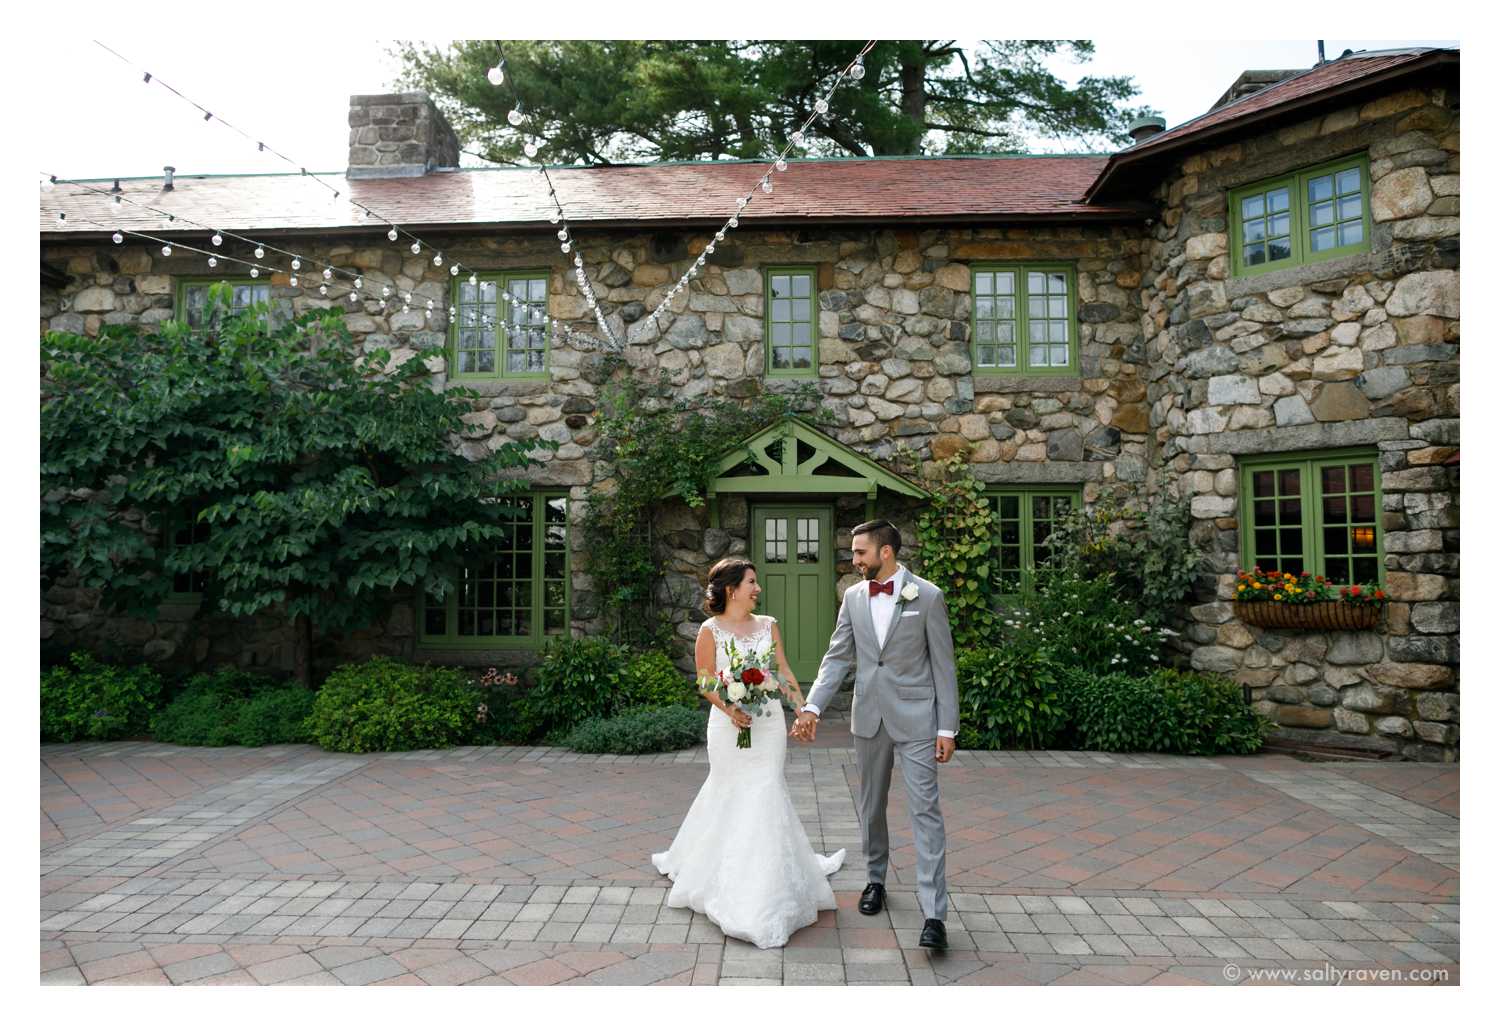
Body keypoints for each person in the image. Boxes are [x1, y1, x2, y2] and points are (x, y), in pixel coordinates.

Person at [651, 557, 846, 949]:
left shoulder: (768, 625)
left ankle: (766, 884)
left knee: (765, 789)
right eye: (752, 582)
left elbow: (784, 671)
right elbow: (706, 679)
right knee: (729, 789)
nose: (758, 589)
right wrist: (730, 706)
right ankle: (723, 875)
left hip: (768, 724)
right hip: (728, 725)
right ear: (731, 589)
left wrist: (802, 709)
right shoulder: (709, 630)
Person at [792, 520, 958, 950]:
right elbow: (836, 657)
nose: (854, 559)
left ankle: (935, 914)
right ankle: (875, 880)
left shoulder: (928, 596)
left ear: (886, 552)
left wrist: (947, 727)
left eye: (860, 552)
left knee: (926, 811)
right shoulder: (853, 597)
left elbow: (943, 666)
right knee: (871, 806)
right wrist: (812, 706)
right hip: (868, 717)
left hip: (919, 720)